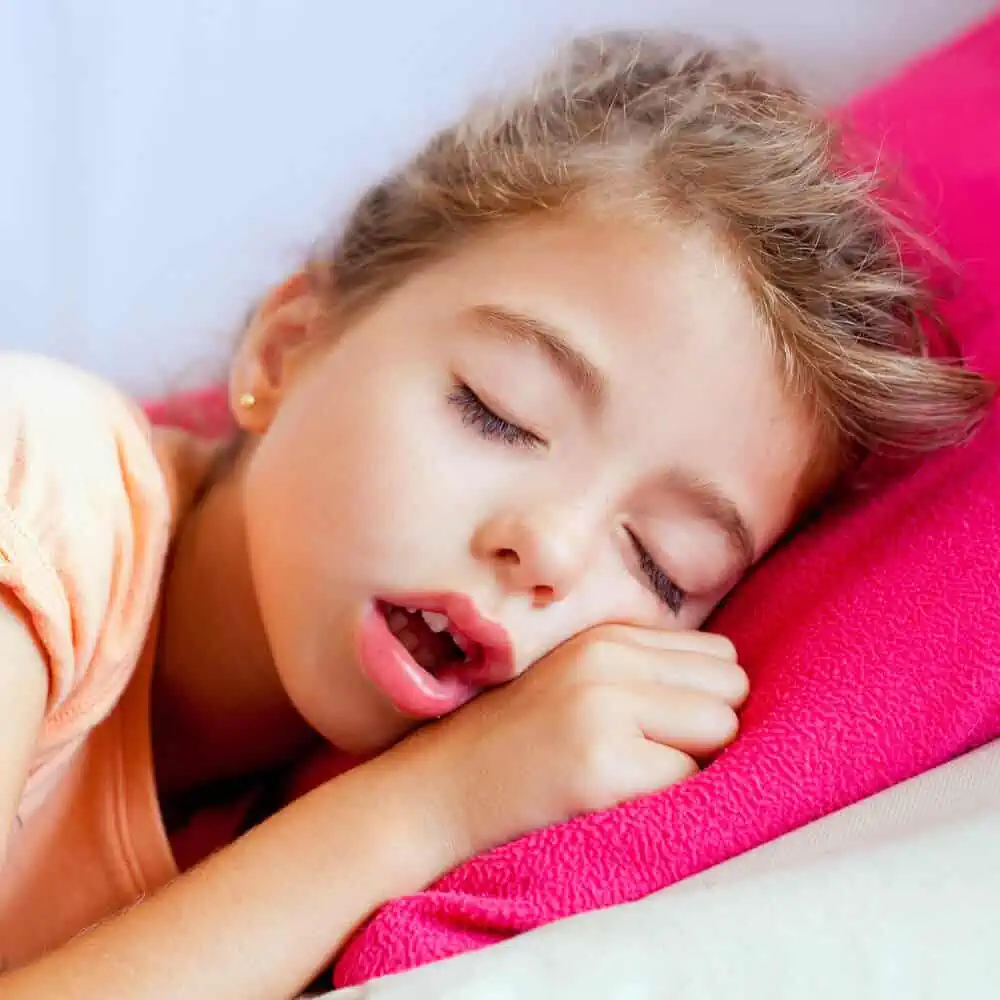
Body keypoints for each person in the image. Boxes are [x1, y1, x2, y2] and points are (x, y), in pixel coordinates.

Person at [0, 30, 992, 1000]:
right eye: (498, 413)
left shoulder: (264, 810)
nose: (549, 547)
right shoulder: (35, 478)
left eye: (660, 564)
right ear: (286, 350)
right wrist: (427, 808)